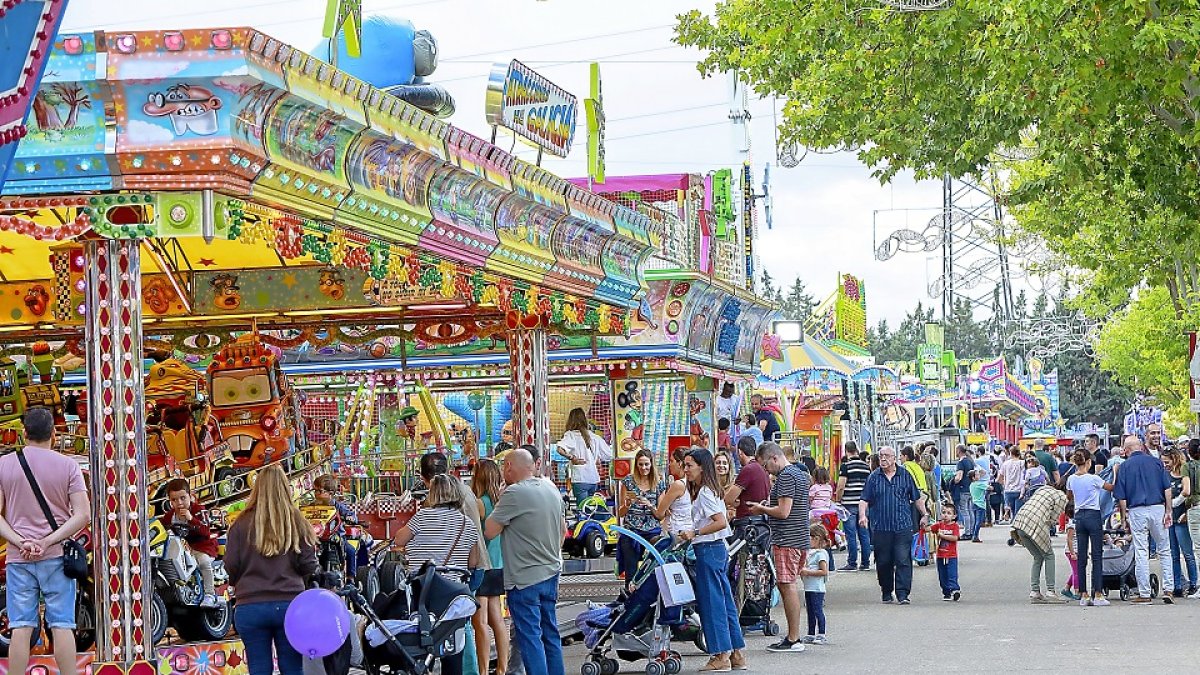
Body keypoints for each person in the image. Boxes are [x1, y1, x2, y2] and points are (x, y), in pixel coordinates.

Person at [0, 408, 90, 675]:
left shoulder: (3, 465)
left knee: (21, 626)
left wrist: (21, 541)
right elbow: (83, 514)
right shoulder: (69, 466)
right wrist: (48, 540)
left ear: (24, 433)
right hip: (56, 557)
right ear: (53, 432)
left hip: (19, 557)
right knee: (62, 624)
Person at [225, 465, 319, 675]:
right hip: (290, 606)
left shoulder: (240, 524)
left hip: (250, 606)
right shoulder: (297, 521)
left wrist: (240, 582)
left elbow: (231, 565)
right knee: (292, 668)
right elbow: (309, 565)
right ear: (285, 488)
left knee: (259, 668)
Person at [484, 448, 568, 675]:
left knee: (530, 637)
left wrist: (500, 500)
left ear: (510, 467)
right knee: (550, 632)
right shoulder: (551, 488)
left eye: (504, 466)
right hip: (551, 571)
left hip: (524, 578)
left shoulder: (514, 494)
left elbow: (490, 531)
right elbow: (563, 530)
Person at [396, 474, 481, 675]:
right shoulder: (466, 524)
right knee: (453, 646)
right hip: (452, 598)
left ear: (433, 494)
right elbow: (473, 562)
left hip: (422, 594)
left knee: (419, 645)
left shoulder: (422, 517)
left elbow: (399, 539)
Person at [678, 448, 747, 671]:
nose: (685, 469)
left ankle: (720, 655)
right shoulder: (709, 490)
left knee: (712, 604)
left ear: (701, 467)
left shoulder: (705, 493)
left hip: (708, 549)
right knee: (725, 601)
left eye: (689, 465)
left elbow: (720, 523)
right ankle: (735, 652)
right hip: (715, 550)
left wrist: (694, 533)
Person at [749, 442, 810, 653]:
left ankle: (793, 638)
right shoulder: (799, 473)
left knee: (787, 585)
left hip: (787, 538)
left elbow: (784, 511)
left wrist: (761, 508)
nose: (766, 471)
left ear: (774, 458)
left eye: (765, 466)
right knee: (788, 584)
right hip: (799, 537)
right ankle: (794, 636)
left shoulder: (785, 477)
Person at [858, 445, 927, 605]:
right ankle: (887, 590)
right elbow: (864, 499)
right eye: (881, 455)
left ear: (894, 458)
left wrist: (925, 514)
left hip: (902, 525)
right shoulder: (874, 477)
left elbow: (916, 497)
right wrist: (862, 516)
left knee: (903, 559)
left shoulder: (905, 475)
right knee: (883, 561)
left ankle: (903, 594)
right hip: (881, 527)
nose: (883, 458)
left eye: (887, 456)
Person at [1112, 434, 1176, 603]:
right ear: (1140, 446)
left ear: (1126, 450)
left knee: (1141, 550)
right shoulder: (1155, 462)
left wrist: (1124, 518)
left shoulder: (1124, 467)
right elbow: (1167, 488)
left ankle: (1145, 593)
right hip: (1157, 508)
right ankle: (1168, 589)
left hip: (1137, 510)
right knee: (1164, 549)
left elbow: (1122, 497)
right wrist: (1168, 510)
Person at [470, 459, 509, 675]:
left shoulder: (480, 503)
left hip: (483, 565)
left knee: (480, 621)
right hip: (500, 564)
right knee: (498, 619)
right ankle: (502, 668)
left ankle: (483, 670)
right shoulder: (502, 502)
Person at [162, 477, 221, 607]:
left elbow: (205, 531)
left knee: (204, 562)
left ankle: (210, 594)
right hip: (183, 548)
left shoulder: (199, 510)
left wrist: (191, 519)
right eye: (174, 500)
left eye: (183, 498)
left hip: (203, 546)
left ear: (190, 496)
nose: (179, 503)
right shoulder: (170, 515)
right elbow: (162, 527)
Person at [1009, 483, 1068, 604]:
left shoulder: (1043, 489)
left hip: (1020, 522)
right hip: (1036, 523)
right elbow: (1052, 519)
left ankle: (1035, 591)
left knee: (1038, 557)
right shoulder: (1062, 497)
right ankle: (1051, 590)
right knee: (1049, 555)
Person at [1065, 449, 1109, 606]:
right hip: (1093, 515)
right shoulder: (1094, 478)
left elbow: (1069, 496)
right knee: (1097, 555)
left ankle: (1083, 594)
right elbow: (1110, 487)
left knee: (1081, 556)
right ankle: (1097, 593)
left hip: (1079, 516)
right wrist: (1115, 473)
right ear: (1089, 462)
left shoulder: (1071, 479)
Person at [618, 448, 666, 584]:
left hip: (651, 529)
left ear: (651, 465)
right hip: (632, 528)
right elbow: (620, 513)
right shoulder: (628, 481)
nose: (643, 468)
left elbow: (660, 515)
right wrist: (627, 504)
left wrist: (650, 505)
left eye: (646, 464)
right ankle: (629, 596)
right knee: (631, 568)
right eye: (640, 464)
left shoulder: (659, 484)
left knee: (654, 564)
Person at [557, 407, 613, 506]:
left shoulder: (571, 435)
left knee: (582, 510)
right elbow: (609, 455)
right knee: (590, 509)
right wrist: (596, 458)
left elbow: (560, 449)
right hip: (593, 479)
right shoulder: (595, 437)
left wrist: (572, 458)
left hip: (580, 478)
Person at [1162, 447, 1198, 597]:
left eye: (1167, 462)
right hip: (1170, 519)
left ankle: (1193, 583)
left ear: (1175, 459)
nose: (1165, 465)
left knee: (1188, 553)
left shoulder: (1184, 475)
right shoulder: (1165, 476)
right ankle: (1177, 584)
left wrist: (1184, 512)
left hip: (1182, 518)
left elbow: (1187, 495)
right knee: (1173, 554)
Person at [313, 473, 359, 578]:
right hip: (317, 537)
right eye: (315, 491)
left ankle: (351, 578)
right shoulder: (312, 506)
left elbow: (351, 515)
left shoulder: (337, 506)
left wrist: (350, 518)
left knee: (350, 551)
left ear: (330, 493)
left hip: (336, 536)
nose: (316, 494)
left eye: (320, 491)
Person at [836, 445, 872, 571]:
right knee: (864, 534)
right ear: (856, 450)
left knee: (851, 535)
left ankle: (852, 563)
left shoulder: (846, 466)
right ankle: (866, 563)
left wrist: (838, 500)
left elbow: (841, 485)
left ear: (847, 451)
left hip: (849, 504)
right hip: (864, 504)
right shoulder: (866, 467)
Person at [800, 523, 830, 645]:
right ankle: (811, 633)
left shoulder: (821, 554)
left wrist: (807, 572)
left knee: (818, 610)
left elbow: (824, 571)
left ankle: (821, 633)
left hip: (817, 588)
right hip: (808, 587)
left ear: (816, 539)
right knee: (810, 611)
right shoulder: (810, 553)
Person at [656, 448, 694, 538]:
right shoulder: (693, 482)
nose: (669, 464)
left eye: (672, 461)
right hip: (690, 529)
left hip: (674, 532)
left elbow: (659, 514)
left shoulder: (678, 485)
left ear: (680, 463)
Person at [931, 502, 961, 601]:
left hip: (951, 555)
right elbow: (930, 529)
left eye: (949, 513)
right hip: (940, 555)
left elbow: (955, 538)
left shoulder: (954, 526)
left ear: (954, 516)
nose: (945, 515)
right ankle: (946, 592)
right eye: (943, 512)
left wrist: (943, 536)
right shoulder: (939, 525)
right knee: (942, 575)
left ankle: (955, 590)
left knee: (952, 574)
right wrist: (923, 527)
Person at [1183, 441, 1200, 598]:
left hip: (1195, 508)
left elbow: (1187, 491)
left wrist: (1174, 502)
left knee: (1198, 549)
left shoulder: (1188, 466)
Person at [951, 445, 977, 543]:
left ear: (958, 451)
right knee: (970, 510)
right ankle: (971, 531)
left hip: (963, 489)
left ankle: (967, 532)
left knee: (964, 511)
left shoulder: (961, 463)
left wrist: (953, 481)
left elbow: (959, 477)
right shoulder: (970, 461)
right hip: (970, 488)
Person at [999, 446, 1026, 522]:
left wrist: (1004, 484)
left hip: (1008, 490)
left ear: (1010, 453)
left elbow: (999, 478)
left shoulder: (1005, 464)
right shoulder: (1023, 463)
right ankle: (1016, 526)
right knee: (1018, 513)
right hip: (1019, 490)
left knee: (1011, 510)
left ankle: (1008, 514)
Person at [1061, 504, 1079, 600]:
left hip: (1077, 550)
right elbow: (1069, 539)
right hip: (1072, 551)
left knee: (1076, 571)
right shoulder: (1071, 525)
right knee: (1077, 572)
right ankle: (1077, 591)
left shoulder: (1078, 522)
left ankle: (1067, 588)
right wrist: (1072, 553)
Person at [969, 470, 988, 543]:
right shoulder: (979, 484)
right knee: (978, 521)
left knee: (975, 521)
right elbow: (989, 488)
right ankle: (975, 536)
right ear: (973, 478)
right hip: (980, 505)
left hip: (974, 503)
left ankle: (973, 534)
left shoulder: (971, 485)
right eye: (977, 475)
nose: (979, 475)